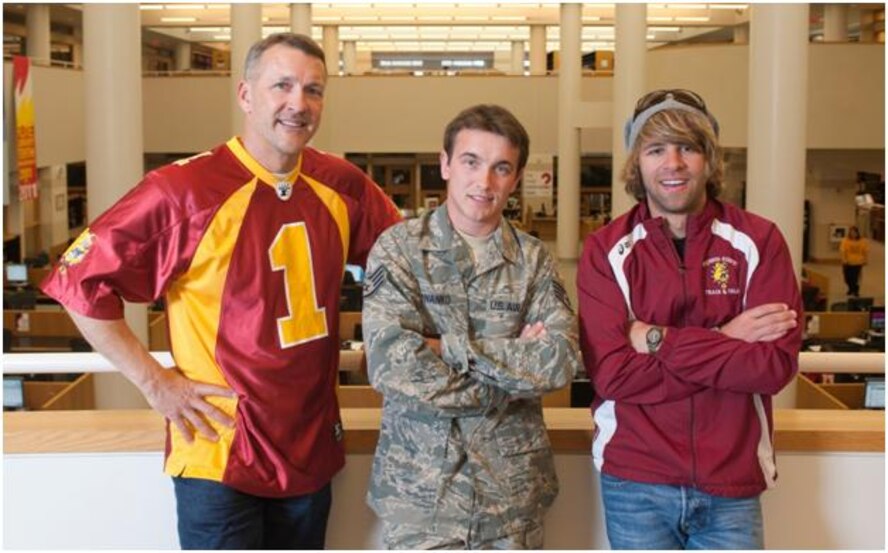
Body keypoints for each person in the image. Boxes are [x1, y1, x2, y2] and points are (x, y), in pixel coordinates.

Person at [41, 33, 400, 549]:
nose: (298, 103)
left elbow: (410, 260)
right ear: (245, 95)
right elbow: (79, 280)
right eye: (282, 85)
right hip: (218, 452)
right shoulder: (183, 191)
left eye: (313, 90)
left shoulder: (341, 184)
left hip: (310, 447)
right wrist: (155, 382)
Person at [577, 89, 802, 550]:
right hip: (636, 481)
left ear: (709, 159)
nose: (673, 163)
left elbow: (771, 367)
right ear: (637, 162)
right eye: (656, 149)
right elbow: (613, 374)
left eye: (688, 147)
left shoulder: (759, 240)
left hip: (732, 484)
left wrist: (655, 339)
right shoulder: (606, 250)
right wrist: (727, 338)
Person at [363, 104, 580, 549]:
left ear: (516, 178)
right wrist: (508, 382)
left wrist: (446, 348)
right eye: (471, 162)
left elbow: (559, 362)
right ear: (445, 165)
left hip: (511, 499)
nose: (484, 182)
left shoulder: (534, 260)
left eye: (501, 168)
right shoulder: (399, 249)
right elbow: (391, 365)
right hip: (422, 498)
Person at [839, 225, 868, 297]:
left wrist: (865, 260)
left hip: (858, 262)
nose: (853, 234)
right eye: (851, 232)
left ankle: (856, 290)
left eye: (854, 232)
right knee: (847, 278)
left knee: (855, 278)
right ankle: (850, 288)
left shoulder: (862, 241)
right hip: (847, 262)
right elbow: (842, 250)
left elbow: (865, 251)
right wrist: (844, 259)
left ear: (857, 233)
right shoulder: (845, 240)